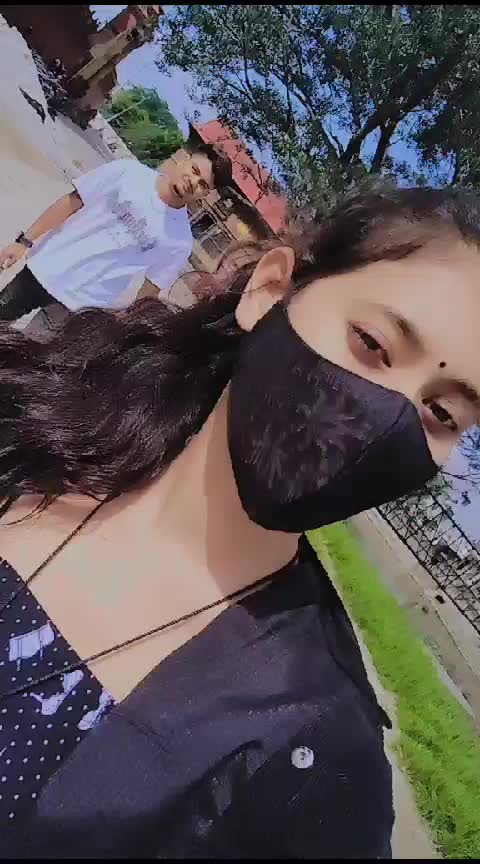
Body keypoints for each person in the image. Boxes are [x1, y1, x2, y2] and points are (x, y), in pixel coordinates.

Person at [0, 187, 479, 858]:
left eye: (443, 414)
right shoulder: (27, 418)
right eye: (372, 342)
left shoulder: (310, 775)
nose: (386, 418)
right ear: (270, 290)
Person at [0, 142, 232, 322]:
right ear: (185, 159)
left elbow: (149, 291)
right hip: (45, 268)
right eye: (194, 170)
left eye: (203, 184)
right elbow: (72, 201)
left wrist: (124, 325)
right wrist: (24, 241)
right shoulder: (128, 173)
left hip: (80, 308)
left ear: (206, 194)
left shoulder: (180, 241)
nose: (193, 181)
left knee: (23, 363)